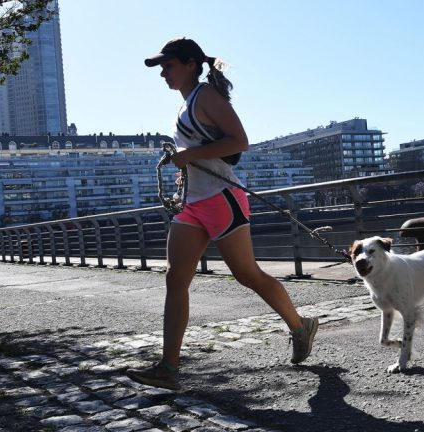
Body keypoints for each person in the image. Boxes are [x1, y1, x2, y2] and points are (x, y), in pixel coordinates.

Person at [126, 38, 318, 390]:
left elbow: (239, 141)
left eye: (168, 66)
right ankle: (168, 368)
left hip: (221, 198)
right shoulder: (185, 105)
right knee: (175, 279)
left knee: (247, 274)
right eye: (162, 68)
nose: (163, 74)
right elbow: (205, 149)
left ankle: (299, 325)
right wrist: (185, 169)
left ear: (190, 64)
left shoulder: (206, 96)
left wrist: (188, 157)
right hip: (193, 202)